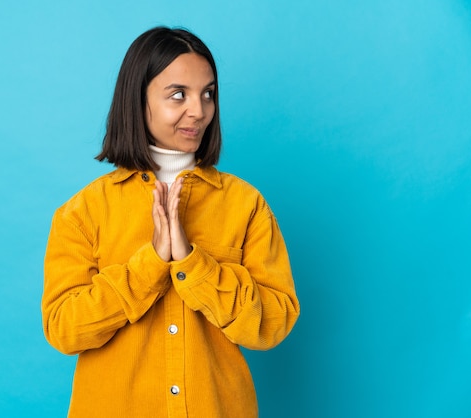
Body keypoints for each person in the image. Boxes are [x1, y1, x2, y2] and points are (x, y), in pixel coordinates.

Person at [42, 26, 300, 417]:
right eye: (178, 94)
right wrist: (151, 265)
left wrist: (193, 263)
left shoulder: (245, 205)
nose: (199, 110)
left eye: (208, 94)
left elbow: (274, 320)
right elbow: (63, 328)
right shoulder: (83, 212)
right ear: (137, 98)